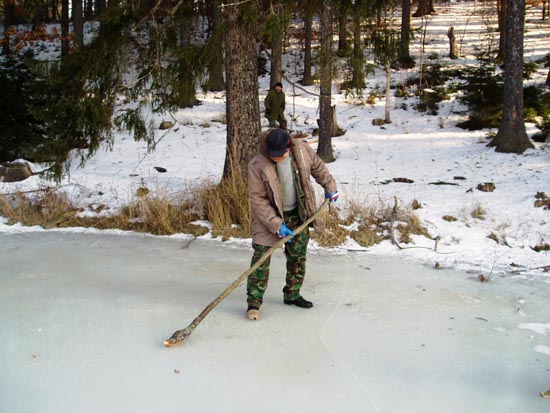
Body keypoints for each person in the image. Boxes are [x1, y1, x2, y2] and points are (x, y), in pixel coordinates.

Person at [246, 128, 339, 320]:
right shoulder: (257, 164)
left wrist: (330, 186)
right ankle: (254, 302)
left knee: (298, 256)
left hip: (299, 213)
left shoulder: (302, 151)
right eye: (273, 155)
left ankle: (292, 294)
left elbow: (319, 168)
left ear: (288, 148)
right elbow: (257, 199)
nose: (276, 158)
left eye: (280, 155)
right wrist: (276, 225)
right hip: (269, 218)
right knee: (261, 260)